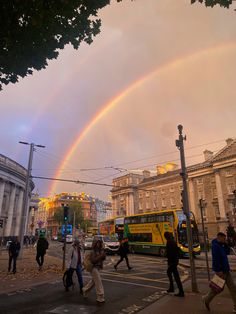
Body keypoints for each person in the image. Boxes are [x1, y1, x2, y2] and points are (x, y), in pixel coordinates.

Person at [203, 232, 236, 312]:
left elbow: (228, 252)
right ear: (219, 237)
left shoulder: (221, 245)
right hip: (221, 272)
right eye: (224, 239)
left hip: (226, 271)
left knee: (233, 288)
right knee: (216, 290)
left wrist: (226, 244)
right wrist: (218, 270)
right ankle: (206, 299)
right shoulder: (215, 246)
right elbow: (216, 260)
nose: (225, 240)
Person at [82, 239, 106, 303]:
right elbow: (93, 260)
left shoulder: (101, 250)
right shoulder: (92, 251)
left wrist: (103, 251)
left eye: (100, 243)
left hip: (98, 268)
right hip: (93, 268)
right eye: (97, 243)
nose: (98, 244)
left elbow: (103, 258)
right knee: (98, 281)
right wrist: (101, 256)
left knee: (94, 281)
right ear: (95, 244)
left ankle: (85, 290)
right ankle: (100, 296)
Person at [164, 231, 184, 297]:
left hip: (172, 262)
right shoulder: (173, 241)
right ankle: (172, 288)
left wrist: (166, 255)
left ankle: (180, 291)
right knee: (171, 274)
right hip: (175, 261)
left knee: (174, 276)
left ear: (166, 237)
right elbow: (176, 251)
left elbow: (170, 253)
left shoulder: (169, 242)